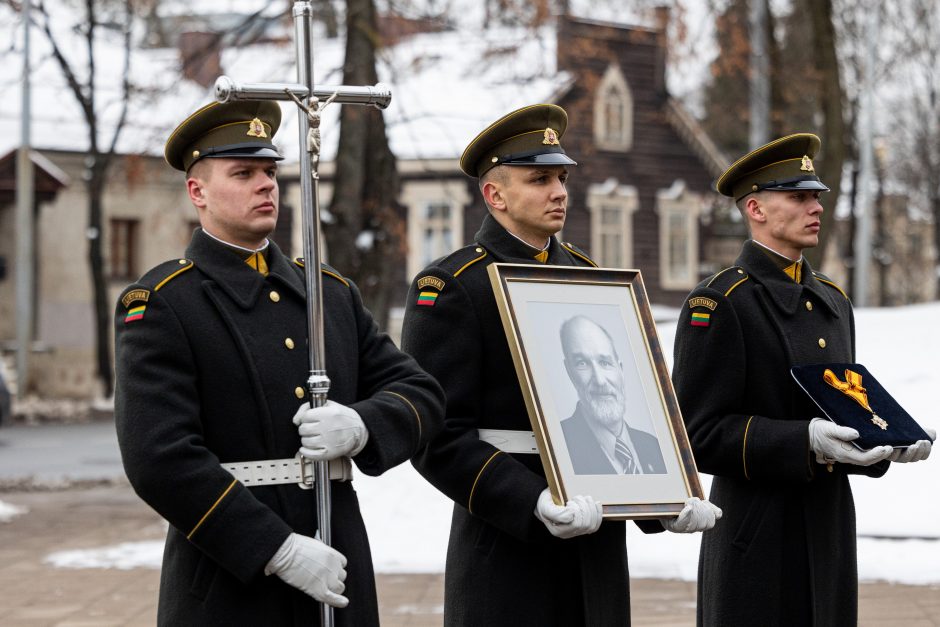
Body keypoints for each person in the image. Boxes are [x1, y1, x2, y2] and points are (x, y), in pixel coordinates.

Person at [113, 100, 444, 626]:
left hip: (338, 551)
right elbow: (159, 458)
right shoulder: (165, 302)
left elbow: (421, 393)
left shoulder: (329, 294)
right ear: (197, 191)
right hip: (228, 574)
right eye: (242, 173)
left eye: (269, 171)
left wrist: (364, 425)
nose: (266, 184)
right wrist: (276, 548)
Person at [401, 103, 720, 626]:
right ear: (495, 194)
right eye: (539, 178)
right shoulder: (455, 286)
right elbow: (436, 435)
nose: (559, 191)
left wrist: (662, 496)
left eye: (562, 178)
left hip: (596, 546)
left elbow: (624, 404)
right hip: (506, 545)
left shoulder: (593, 280)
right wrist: (530, 500)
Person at [672, 133, 935, 627]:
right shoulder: (721, 302)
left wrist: (881, 440)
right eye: (798, 196)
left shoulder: (834, 302)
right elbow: (695, 434)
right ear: (756, 208)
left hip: (828, 530)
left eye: (816, 196)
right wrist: (804, 440)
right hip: (757, 535)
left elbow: (845, 406)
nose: (815, 207)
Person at [559, 315, 666, 475]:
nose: (600, 380)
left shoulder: (656, 447)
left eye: (605, 363)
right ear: (569, 372)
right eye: (582, 363)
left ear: (620, 369)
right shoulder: (559, 445)